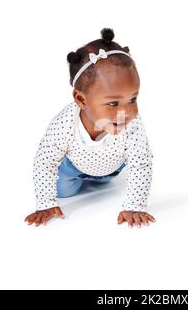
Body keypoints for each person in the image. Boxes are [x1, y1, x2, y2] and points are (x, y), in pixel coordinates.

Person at [24, 28, 155, 228]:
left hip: (111, 168)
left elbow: (141, 163)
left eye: (132, 99)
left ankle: (100, 180)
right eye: (113, 103)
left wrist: (135, 205)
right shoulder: (66, 122)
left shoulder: (131, 124)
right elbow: (45, 160)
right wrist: (45, 203)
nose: (126, 112)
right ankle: (81, 181)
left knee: (105, 182)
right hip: (73, 168)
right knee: (64, 191)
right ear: (81, 99)